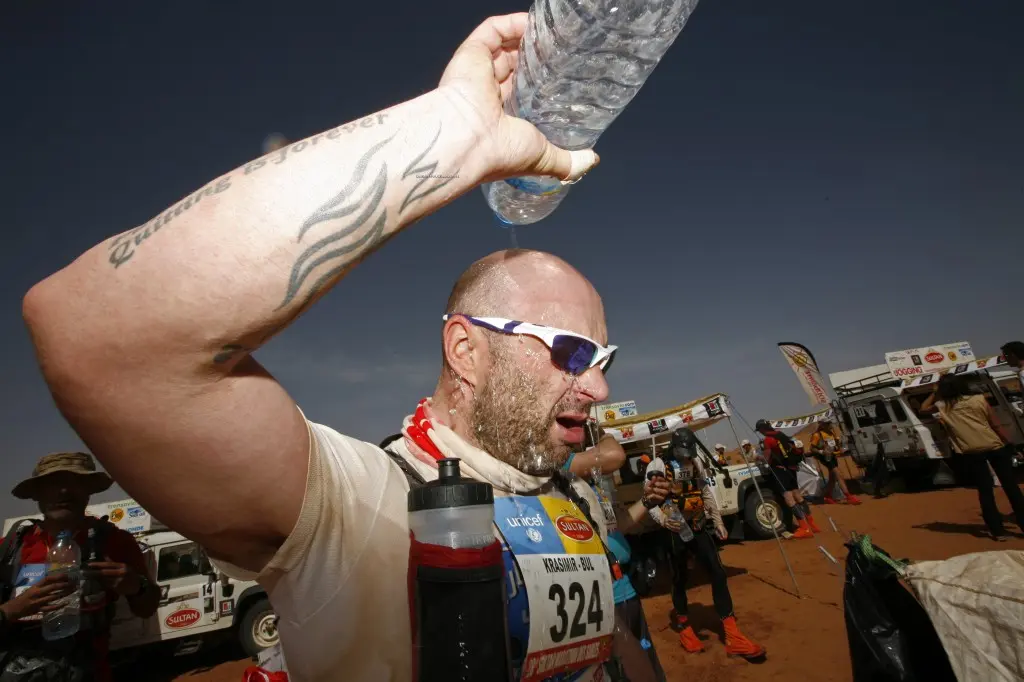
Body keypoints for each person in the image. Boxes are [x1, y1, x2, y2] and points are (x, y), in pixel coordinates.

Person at [20, 13, 650, 681]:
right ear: (466, 351)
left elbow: (607, 647)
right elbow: (92, 335)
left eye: (602, 360)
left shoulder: (567, 496)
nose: (599, 387)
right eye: (572, 352)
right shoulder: (357, 507)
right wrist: (455, 129)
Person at [0, 453, 160, 682]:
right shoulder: (9, 548)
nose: (64, 491)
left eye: (75, 482)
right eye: (52, 483)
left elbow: (147, 608)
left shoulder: (116, 542)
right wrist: (11, 610)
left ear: (89, 491)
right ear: (37, 494)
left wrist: (138, 586)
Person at [645, 429, 766, 661]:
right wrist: (663, 520)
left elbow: (704, 491)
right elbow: (651, 500)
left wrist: (717, 520)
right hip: (675, 527)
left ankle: (733, 635)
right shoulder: (657, 466)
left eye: (689, 452)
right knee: (680, 577)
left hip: (698, 523)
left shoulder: (696, 462)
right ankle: (684, 626)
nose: (685, 456)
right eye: (682, 452)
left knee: (717, 572)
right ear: (673, 447)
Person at [566, 423, 670, 682]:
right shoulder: (561, 465)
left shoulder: (588, 481)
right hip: (603, 600)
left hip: (626, 591)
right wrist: (598, 431)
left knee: (649, 670)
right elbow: (615, 455)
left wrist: (647, 501)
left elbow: (617, 525)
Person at [919, 374, 1024, 541]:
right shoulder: (979, 399)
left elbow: (923, 409)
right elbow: (995, 424)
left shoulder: (942, 406)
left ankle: (997, 531)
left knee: (985, 490)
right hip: (995, 445)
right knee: (1011, 486)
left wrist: (934, 392)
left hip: (971, 451)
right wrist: (1010, 444)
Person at [754, 420, 818, 538]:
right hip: (791, 468)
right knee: (798, 496)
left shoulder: (768, 440)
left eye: (760, 430)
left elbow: (766, 458)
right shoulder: (780, 434)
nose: (760, 433)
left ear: (762, 429)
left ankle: (804, 528)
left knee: (789, 499)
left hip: (779, 470)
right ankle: (812, 525)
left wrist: (758, 457)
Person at [809, 421, 861, 505]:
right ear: (823, 425)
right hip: (826, 458)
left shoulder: (831, 433)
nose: (830, 425)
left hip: (833, 456)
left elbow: (834, 445)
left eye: (830, 423)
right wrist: (822, 451)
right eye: (828, 423)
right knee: (839, 475)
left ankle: (826, 496)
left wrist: (838, 447)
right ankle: (849, 496)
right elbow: (812, 448)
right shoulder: (817, 435)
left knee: (832, 478)